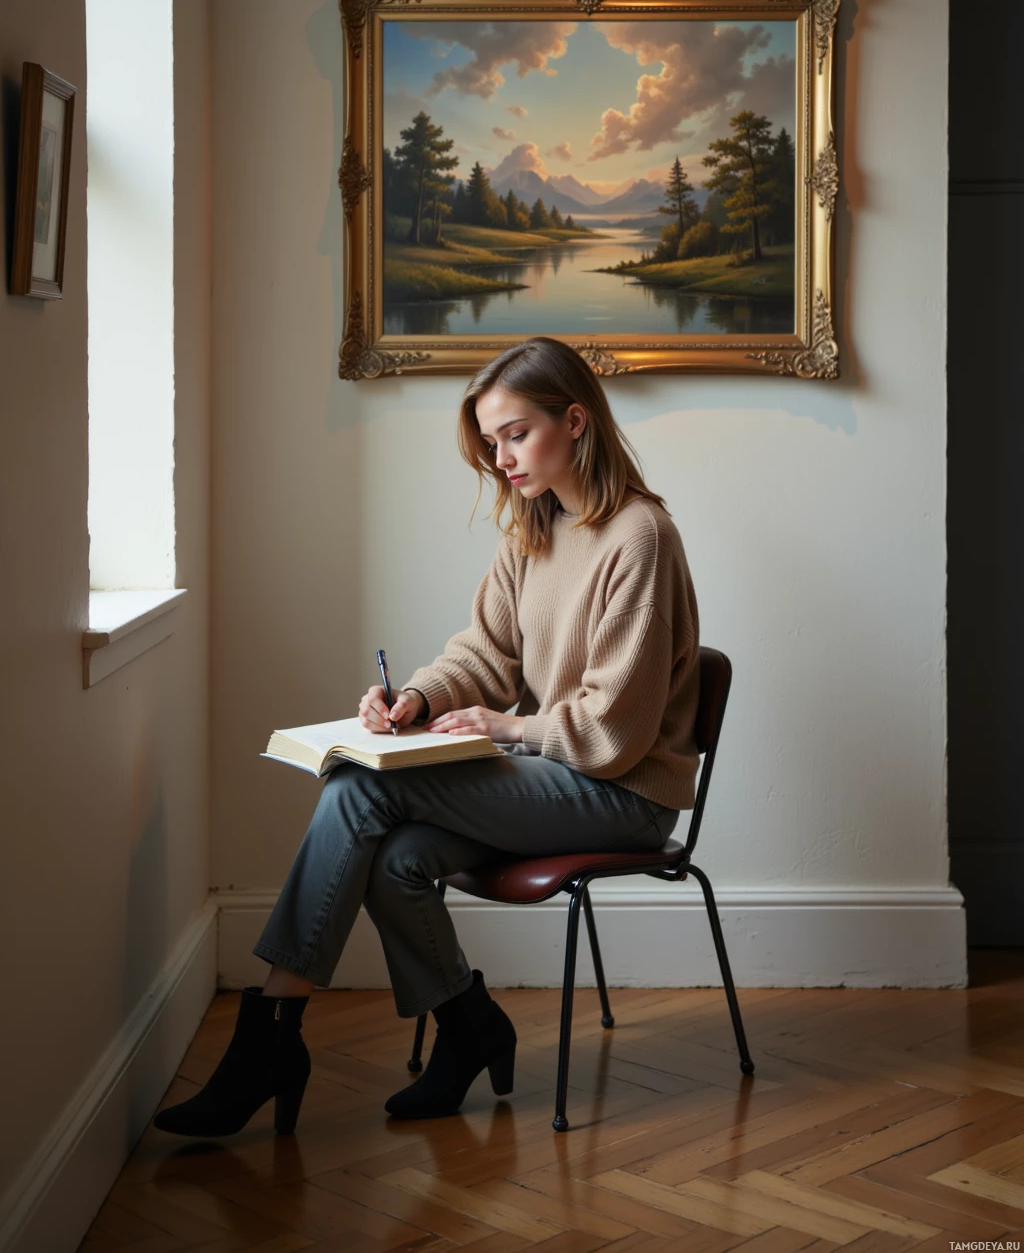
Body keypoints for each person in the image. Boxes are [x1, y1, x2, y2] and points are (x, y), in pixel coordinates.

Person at [154, 336, 701, 1137]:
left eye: (516, 433)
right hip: (559, 779)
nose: (501, 457)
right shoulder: (536, 531)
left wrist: (509, 726)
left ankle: (270, 1038)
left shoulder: (640, 538)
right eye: (491, 442)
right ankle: (469, 1024)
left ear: (575, 420)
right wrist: (413, 699)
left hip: (620, 793)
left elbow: (615, 732)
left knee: (361, 786)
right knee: (397, 856)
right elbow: (485, 652)